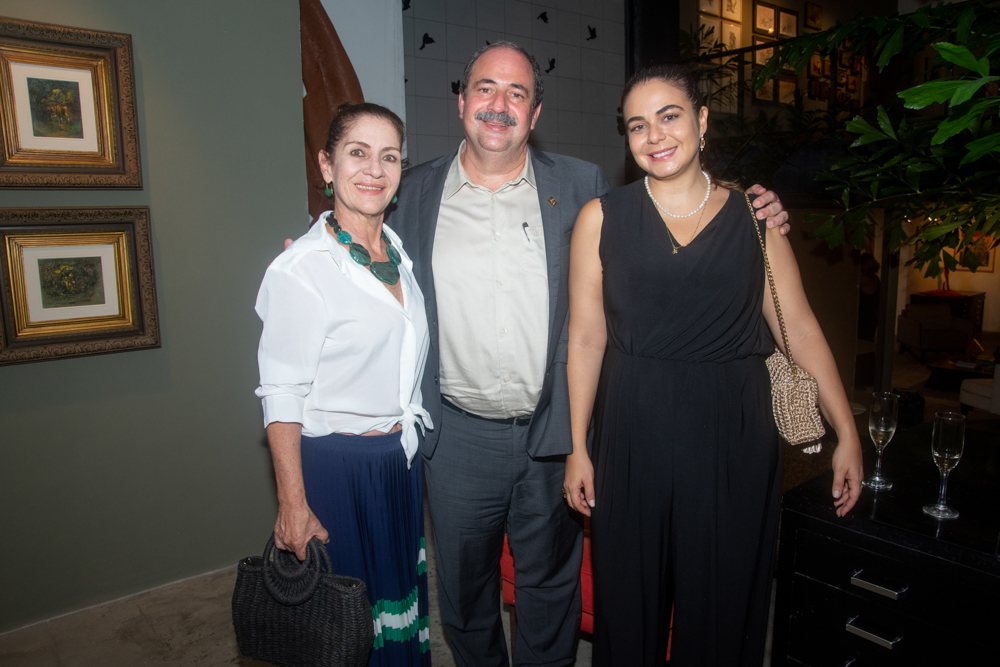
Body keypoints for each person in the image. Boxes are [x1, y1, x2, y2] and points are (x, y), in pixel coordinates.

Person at [385, 43, 792, 667]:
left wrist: (754, 207)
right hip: (459, 437)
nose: (500, 105)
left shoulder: (580, 187)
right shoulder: (410, 194)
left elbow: (668, 207)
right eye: (486, 89)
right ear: (462, 101)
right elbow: (356, 237)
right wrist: (320, 244)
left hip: (553, 433)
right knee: (466, 597)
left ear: (536, 110)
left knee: (551, 589)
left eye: (517, 93)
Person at [563, 64, 864, 666]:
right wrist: (578, 445)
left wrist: (847, 432)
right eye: (637, 126)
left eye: (669, 116)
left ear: (701, 120)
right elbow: (585, 337)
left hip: (733, 433)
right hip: (632, 432)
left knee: (725, 602)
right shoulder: (602, 217)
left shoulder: (756, 220)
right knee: (630, 600)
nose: (655, 136)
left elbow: (800, 329)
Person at [255, 102, 431, 666]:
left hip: (397, 465)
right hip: (337, 470)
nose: (374, 170)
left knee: (393, 613)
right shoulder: (302, 270)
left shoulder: (398, 254)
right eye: (358, 153)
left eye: (389, 157)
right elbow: (281, 393)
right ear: (327, 165)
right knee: (344, 630)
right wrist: (293, 505)